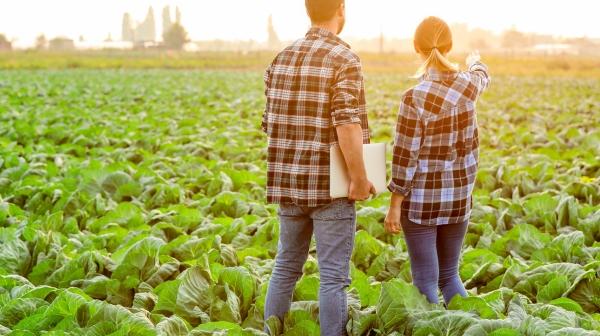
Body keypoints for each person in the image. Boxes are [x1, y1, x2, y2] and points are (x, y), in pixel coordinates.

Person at [261, 0, 375, 335]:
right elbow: (347, 124)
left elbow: (270, 124)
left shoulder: (280, 58)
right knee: (333, 280)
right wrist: (359, 177)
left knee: (285, 267)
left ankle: (272, 332)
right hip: (330, 187)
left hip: (287, 183)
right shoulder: (344, 59)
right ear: (341, 9)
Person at [384, 16, 491, 306]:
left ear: (416, 48)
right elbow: (482, 75)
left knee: (426, 281)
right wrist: (474, 61)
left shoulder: (414, 98)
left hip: (421, 204)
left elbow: (404, 157)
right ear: (450, 45)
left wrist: (395, 205)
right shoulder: (470, 86)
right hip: (459, 200)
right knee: (450, 277)